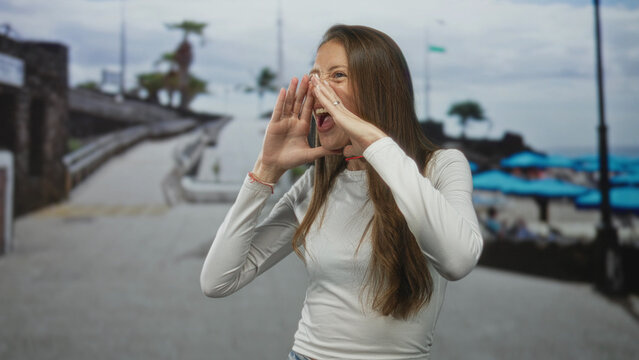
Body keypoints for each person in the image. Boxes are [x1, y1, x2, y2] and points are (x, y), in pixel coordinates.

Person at [200, 24, 484, 360]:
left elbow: (458, 260)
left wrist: (374, 140)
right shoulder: (316, 183)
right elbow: (217, 281)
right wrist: (265, 169)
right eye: (315, 76)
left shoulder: (441, 166)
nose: (318, 90)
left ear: (381, 90)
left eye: (337, 75)